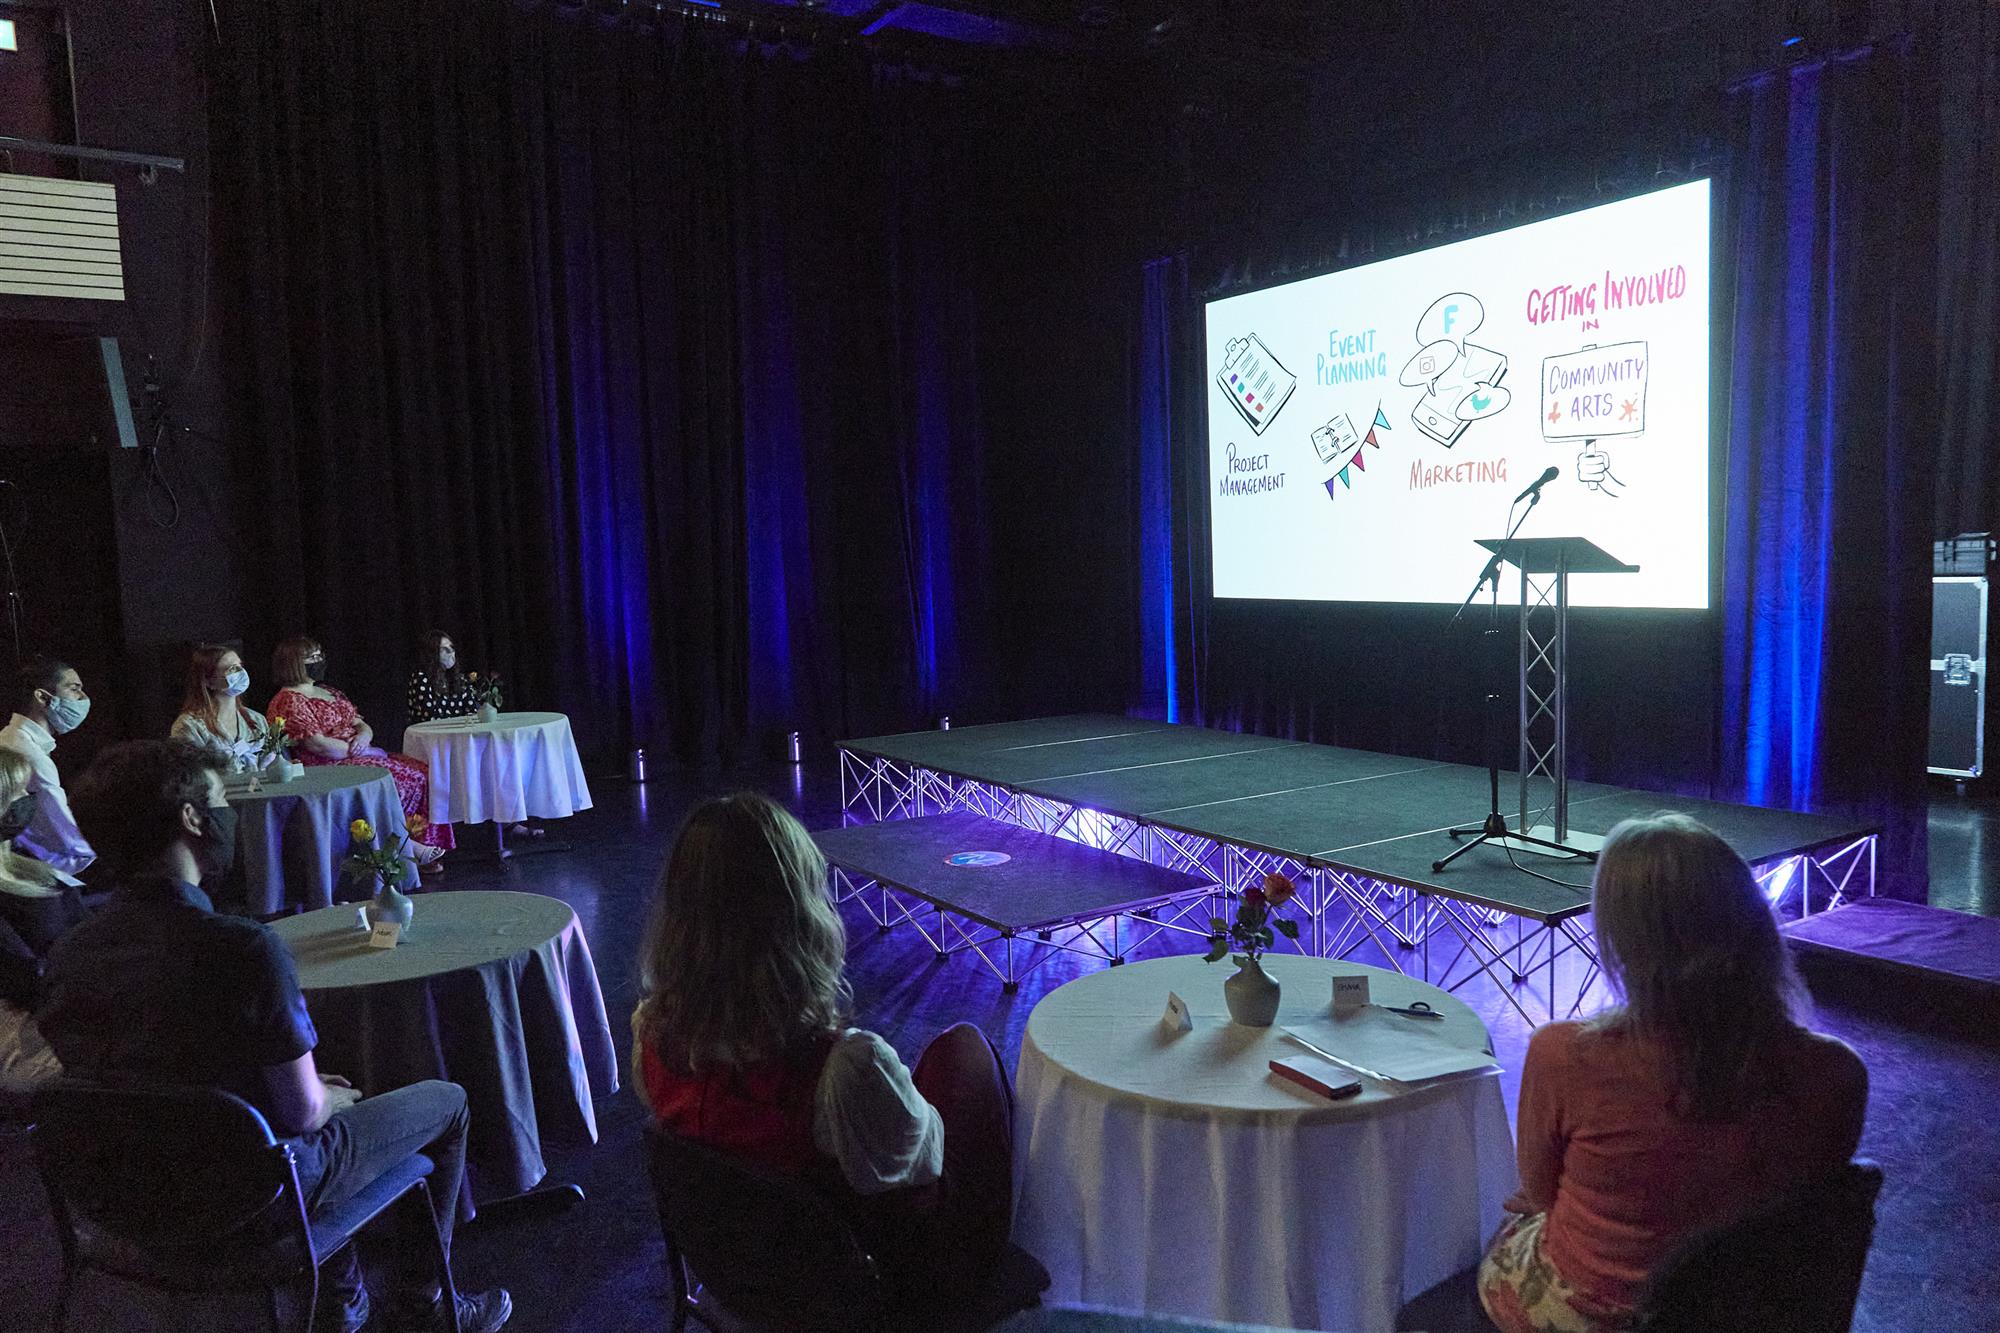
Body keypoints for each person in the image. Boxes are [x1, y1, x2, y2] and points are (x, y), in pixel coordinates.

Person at [37, 740, 510, 1333]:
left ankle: (343, 1299)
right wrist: (325, 1099)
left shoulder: (66, 954)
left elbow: (131, 1081)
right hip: (251, 1198)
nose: (228, 813)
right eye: (219, 800)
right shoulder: (242, 949)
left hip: (123, 1203)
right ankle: (425, 1304)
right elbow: (304, 1112)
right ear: (191, 819)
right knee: (445, 1101)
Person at [631, 793, 1018, 1327]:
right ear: (797, 916)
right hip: (870, 1289)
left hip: (740, 1271)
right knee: (965, 1052)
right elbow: (925, 1161)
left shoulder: (653, 1032)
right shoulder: (843, 1069)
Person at [1477, 813, 1868, 1333]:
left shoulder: (1564, 1055)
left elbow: (1541, 1193)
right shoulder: (1838, 1070)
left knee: (1507, 1220)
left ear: (1626, 942)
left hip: (1604, 1314)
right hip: (1758, 1308)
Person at [267, 636, 452, 869]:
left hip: (360, 752)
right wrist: (357, 752)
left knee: (423, 772)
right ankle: (401, 847)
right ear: (293, 662)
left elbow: (360, 723)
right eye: (311, 657)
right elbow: (317, 744)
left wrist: (365, 738)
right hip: (328, 763)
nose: (318, 660)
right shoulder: (289, 699)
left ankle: (415, 841)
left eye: (319, 654)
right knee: (398, 781)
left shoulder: (327, 691)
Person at [0, 747, 79, 1099]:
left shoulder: (24, 861)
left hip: (71, 1006)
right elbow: (28, 979)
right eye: (17, 793)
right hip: (34, 1034)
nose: (28, 800)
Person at [0, 655, 96, 878]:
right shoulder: (29, 754)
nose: (83, 698)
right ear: (43, 698)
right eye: (74, 689)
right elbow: (68, 841)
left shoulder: (9, 737)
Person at [170, 642, 276, 771]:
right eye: (231, 669)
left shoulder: (257, 720)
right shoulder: (189, 726)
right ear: (209, 681)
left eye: (240, 666)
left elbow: (269, 766)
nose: (241, 672)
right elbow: (189, 775)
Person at [405, 630, 482, 724]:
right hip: (432, 735)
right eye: (445, 649)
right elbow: (429, 717)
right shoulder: (421, 678)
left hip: (459, 734)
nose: (451, 652)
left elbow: (472, 711)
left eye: (451, 647)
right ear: (433, 653)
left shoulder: (459, 679)